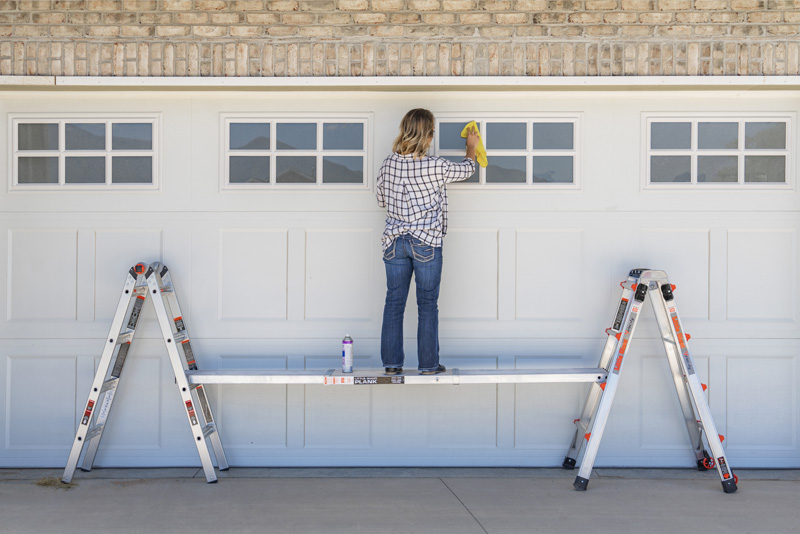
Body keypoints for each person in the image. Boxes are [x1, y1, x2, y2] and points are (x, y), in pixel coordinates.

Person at [376, 109, 479, 375]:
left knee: (394, 302)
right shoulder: (436, 165)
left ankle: (391, 365)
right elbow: (468, 169)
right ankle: (428, 365)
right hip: (426, 242)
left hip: (394, 241)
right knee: (427, 304)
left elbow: (381, 200)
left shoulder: (388, 164)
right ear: (428, 135)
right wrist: (471, 147)